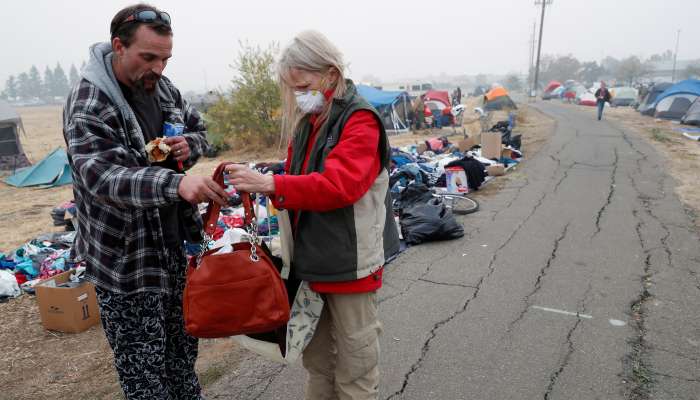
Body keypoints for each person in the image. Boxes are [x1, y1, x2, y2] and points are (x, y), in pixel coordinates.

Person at [62, 4, 228, 399]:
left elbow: (202, 131)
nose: (158, 68)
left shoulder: (164, 89)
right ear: (118, 46)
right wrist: (175, 184)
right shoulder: (89, 102)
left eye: (165, 58)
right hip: (126, 262)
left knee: (182, 360)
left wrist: (192, 144)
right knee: (145, 379)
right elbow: (102, 177)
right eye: (148, 57)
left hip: (172, 248)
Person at [225, 30, 400, 400]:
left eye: (304, 85)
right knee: (318, 363)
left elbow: (340, 185)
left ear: (331, 74)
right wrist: (262, 174)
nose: (299, 95)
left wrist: (272, 184)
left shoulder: (360, 121)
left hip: (350, 264)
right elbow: (300, 170)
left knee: (355, 366)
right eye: (293, 88)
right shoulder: (310, 121)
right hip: (309, 261)